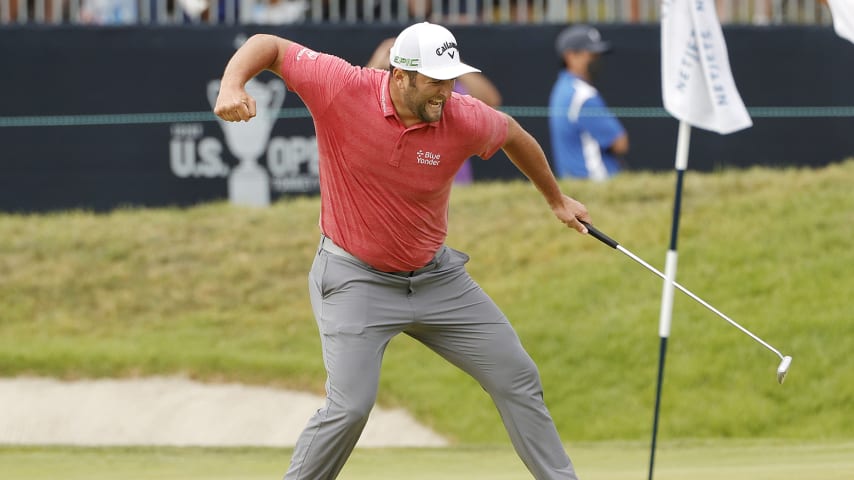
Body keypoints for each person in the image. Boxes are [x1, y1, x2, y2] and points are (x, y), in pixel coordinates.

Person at [214, 21, 591, 480]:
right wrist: (234, 84)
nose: (446, 92)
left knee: (518, 376)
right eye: (435, 79)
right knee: (350, 407)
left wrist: (556, 199)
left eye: (451, 78)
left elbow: (513, 134)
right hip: (355, 278)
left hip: (437, 280)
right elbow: (267, 45)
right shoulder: (342, 86)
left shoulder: (462, 116)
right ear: (400, 75)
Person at [365, 36, 502, 184]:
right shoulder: (381, 92)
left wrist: (451, 63)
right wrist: (378, 63)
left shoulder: (449, 90)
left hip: (456, 187)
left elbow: (491, 101)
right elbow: (361, 99)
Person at [548, 24, 629, 181]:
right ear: (570, 56)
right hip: (597, 181)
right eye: (591, 54)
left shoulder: (562, 88)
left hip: (575, 183)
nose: (596, 60)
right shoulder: (583, 95)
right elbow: (620, 143)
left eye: (598, 55)